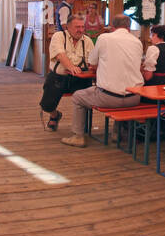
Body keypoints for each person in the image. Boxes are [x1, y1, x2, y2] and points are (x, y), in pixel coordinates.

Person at [58, 14, 154, 148]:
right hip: (134, 97)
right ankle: (116, 133)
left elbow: (92, 62)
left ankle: (78, 136)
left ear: (112, 27)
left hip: (109, 98)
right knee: (120, 88)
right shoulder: (137, 42)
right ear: (129, 27)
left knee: (78, 96)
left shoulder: (104, 38)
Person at [41, 13, 94, 131]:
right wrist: (71, 67)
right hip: (59, 78)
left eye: (82, 27)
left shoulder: (88, 41)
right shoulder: (59, 36)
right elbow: (60, 54)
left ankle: (82, 128)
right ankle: (55, 115)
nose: (80, 30)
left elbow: (93, 60)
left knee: (86, 100)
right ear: (68, 27)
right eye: (77, 27)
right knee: (46, 105)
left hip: (80, 80)